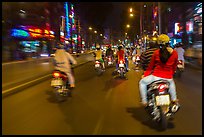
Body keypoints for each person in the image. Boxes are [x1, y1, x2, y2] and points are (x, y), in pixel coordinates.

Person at [139, 34, 179, 106]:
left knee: (142, 82)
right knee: (172, 84)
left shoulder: (156, 53)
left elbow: (150, 67)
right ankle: (174, 99)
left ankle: (144, 101)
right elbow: (174, 66)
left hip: (156, 77)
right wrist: (171, 74)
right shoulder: (175, 53)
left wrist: (145, 75)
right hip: (168, 77)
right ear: (168, 42)